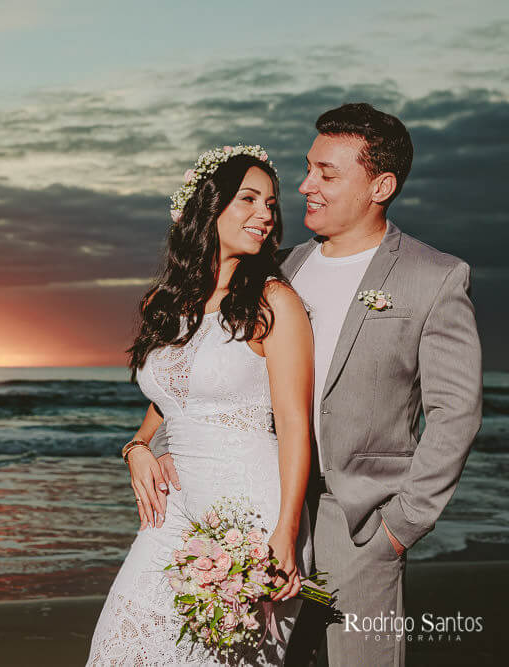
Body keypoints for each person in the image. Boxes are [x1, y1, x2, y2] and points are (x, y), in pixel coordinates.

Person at [137, 104, 484, 667]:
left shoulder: (433, 277)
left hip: (361, 527)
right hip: (263, 510)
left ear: (381, 185)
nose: (305, 186)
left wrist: (400, 527)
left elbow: (457, 414)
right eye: (308, 168)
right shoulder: (280, 269)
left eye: (327, 173)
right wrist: (149, 445)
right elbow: (206, 373)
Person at [87, 145, 315, 666]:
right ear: (208, 209)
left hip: (250, 511)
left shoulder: (273, 302)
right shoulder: (163, 305)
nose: (266, 215)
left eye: (271, 204)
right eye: (249, 199)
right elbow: (171, 401)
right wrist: (137, 448)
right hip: (172, 513)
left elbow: (296, 428)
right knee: (120, 646)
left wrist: (283, 533)